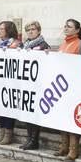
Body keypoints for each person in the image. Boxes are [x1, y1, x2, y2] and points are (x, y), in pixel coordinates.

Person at [55, 19, 81, 160]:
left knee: (72, 119)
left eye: (69, 26)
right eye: (65, 26)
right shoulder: (63, 44)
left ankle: (73, 149)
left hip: (76, 88)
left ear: (77, 30)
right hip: (62, 87)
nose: (66, 28)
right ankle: (63, 146)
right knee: (62, 117)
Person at [19, 21, 50, 151]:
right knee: (27, 112)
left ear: (39, 31)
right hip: (26, 84)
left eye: (33, 29)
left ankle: (34, 140)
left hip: (38, 85)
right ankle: (29, 137)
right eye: (28, 30)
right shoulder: (24, 45)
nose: (31, 32)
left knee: (34, 113)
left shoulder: (43, 45)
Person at [0, 21, 22, 145]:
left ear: (8, 30)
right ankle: (1, 131)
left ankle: (8, 133)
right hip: (0, 81)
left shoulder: (16, 44)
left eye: (2, 29)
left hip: (11, 82)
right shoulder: (0, 44)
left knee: (9, 107)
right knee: (1, 107)